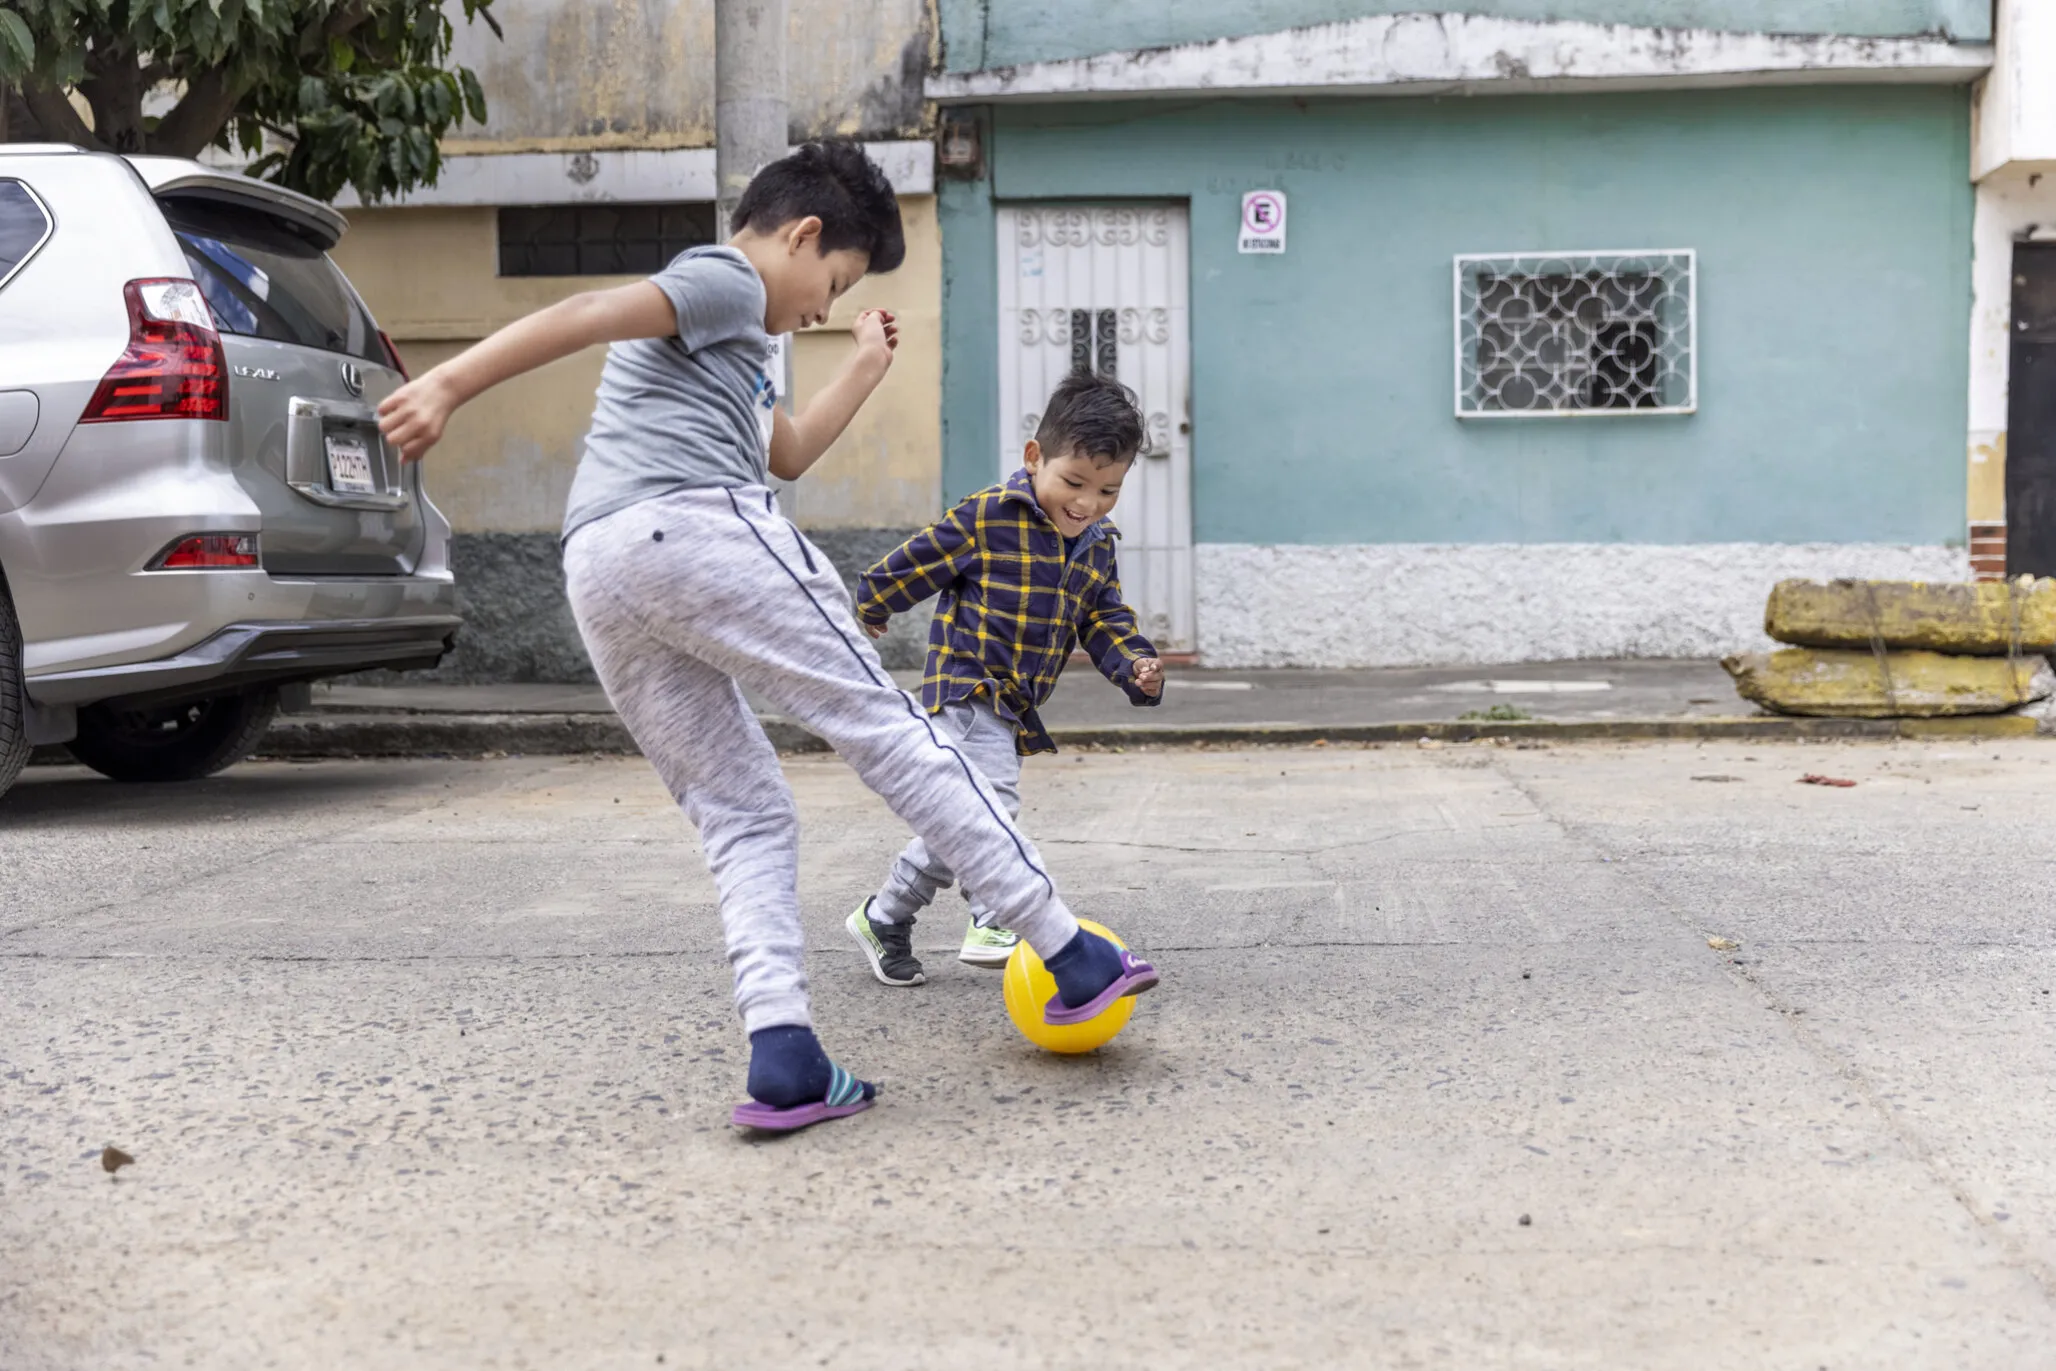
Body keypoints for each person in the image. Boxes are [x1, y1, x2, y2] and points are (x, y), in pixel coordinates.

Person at [374, 141, 1157, 1132]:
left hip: (604, 565)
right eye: (832, 282)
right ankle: (1071, 951)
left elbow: (782, 451)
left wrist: (864, 371)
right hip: (694, 527)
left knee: (742, 810)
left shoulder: (736, 339)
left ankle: (783, 1053)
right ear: (801, 234)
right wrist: (449, 385)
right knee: (889, 728)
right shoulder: (725, 278)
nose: (825, 307)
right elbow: (585, 314)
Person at [845, 372, 1164, 985]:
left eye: (1108, 491)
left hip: (1013, 702)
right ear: (1034, 458)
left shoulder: (1096, 543)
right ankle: (994, 915)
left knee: (955, 819)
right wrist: (874, 603)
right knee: (994, 804)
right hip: (964, 688)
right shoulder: (988, 515)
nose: (1087, 503)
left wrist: (1136, 666)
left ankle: (884, 916)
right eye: (1073, 483)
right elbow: (919, 559)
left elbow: (1104, 616)